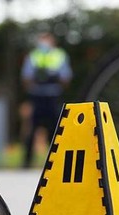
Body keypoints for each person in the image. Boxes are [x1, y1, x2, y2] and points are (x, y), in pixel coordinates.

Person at [21, 33, 72, 168]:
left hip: (53, 96)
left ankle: (58, 162)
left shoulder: (60, 55)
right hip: (37, 96)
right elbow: (26, 77)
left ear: (53, 41)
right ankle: (27, 162)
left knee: (56, 130)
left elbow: (66, 78)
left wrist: (52, 77)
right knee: (31, 129)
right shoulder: (33, 55)